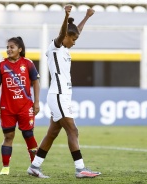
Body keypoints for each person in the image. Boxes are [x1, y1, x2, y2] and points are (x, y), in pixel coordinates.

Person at [27, 5, 101, 179]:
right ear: (66, 36)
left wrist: (86, 17)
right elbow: (63, 34)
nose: (74, 42)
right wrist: (66, 15)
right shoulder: (55, 47)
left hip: (63, 96)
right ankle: (80, 168)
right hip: (58, 95)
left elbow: (75, 31)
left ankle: (34, 167)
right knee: (73, 131)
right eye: (73, 39)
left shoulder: (65, 49)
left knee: (52, 133)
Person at [0, 36, 40, 175]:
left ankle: (34, 167)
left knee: (28, 135)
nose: (8, 50)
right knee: (8, 136)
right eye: (7, 47)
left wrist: (36, 102)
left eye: (11, 47)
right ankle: (5, 167)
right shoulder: (1, 65)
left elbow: (36, 82)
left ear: (20, 49)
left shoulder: (28, 63)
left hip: (25, 106)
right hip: (7, 108)